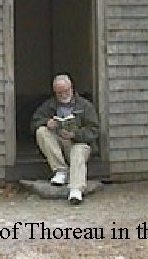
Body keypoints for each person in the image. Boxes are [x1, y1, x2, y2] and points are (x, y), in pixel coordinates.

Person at [30, 74, 99, 205]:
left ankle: (76, 189)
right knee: (41, 131)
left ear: (72, 88)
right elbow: (34, 122)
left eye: (66, 91)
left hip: (80, 143)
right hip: (59, 142)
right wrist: (46, 122)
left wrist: (75, 134)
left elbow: (94, 130)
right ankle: (60, 170)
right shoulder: (49, 105)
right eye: (59, 92)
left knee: (78, 152)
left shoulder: (85, 105)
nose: (63, 95)